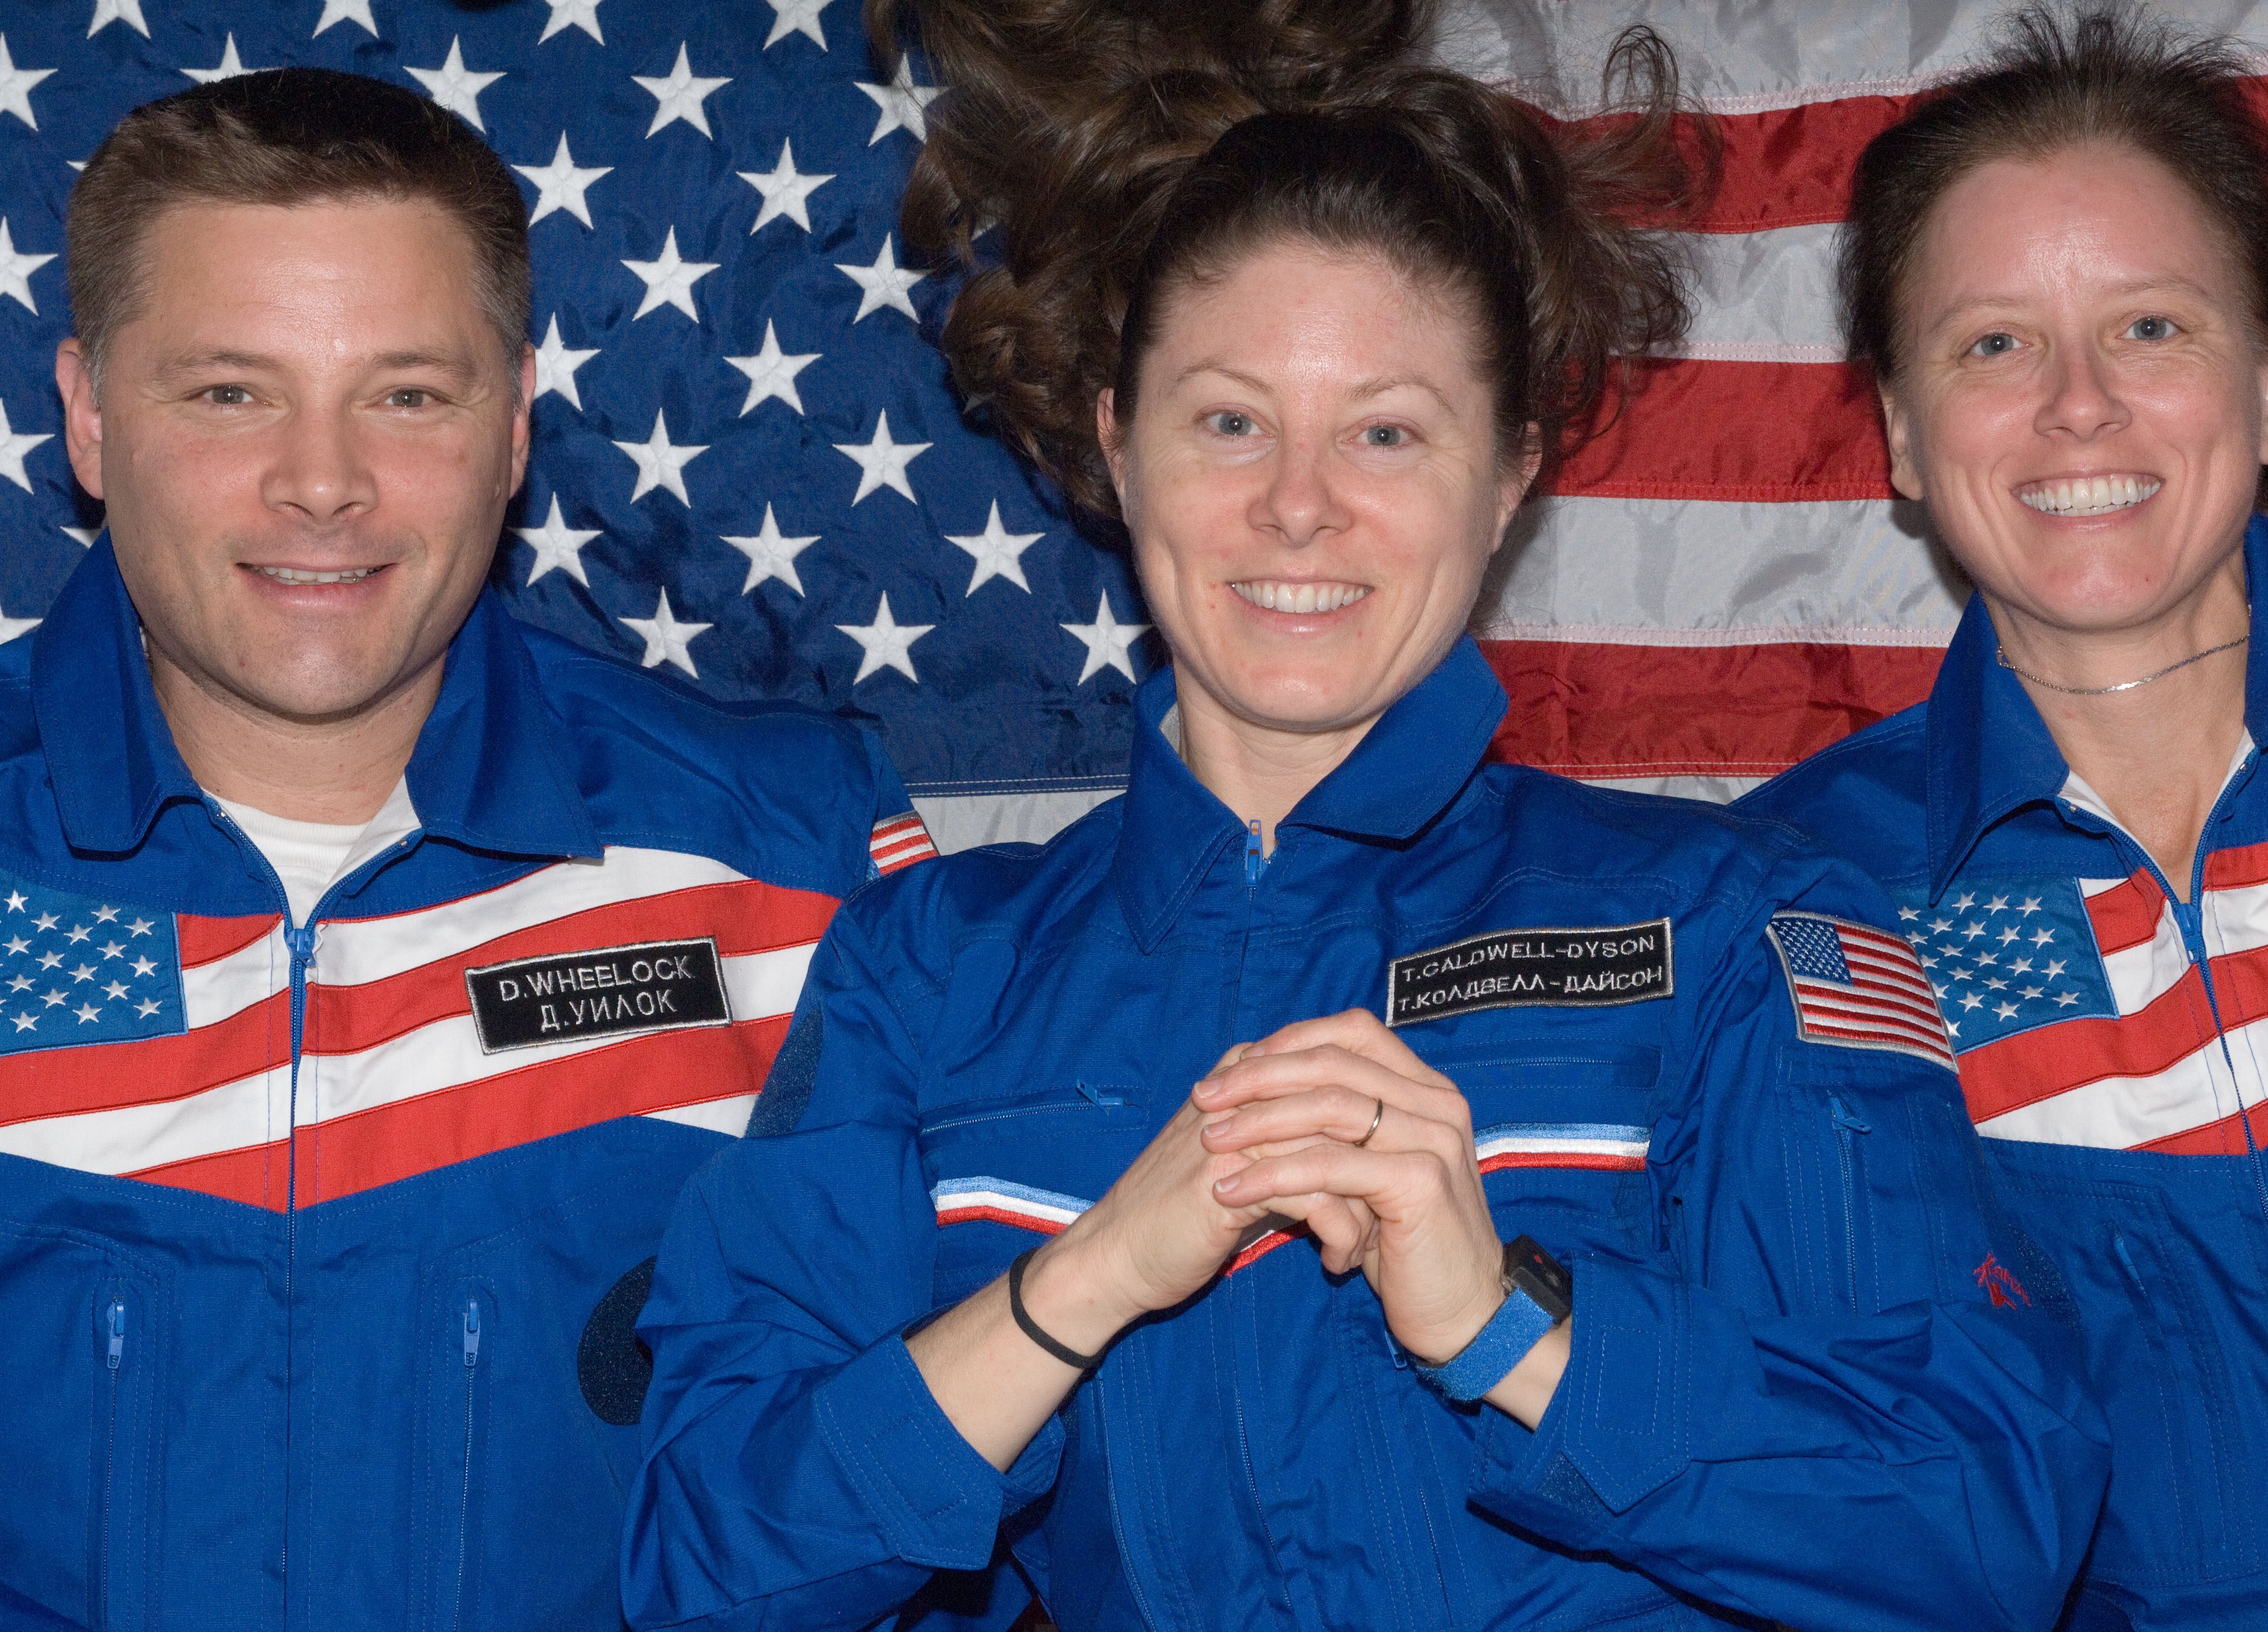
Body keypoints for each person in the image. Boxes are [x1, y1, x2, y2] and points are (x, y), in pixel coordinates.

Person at [621, 7, 2109, 1629]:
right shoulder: (932, 974)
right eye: (1229, 421)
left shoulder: (1739, 927)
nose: (1299, 504)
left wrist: (1513, 1323)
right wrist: (1089, 1276)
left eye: (1388, 431)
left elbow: (1981, 1525)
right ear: (1120, 451)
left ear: (1509, 478)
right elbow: (710, 1569)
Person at [0, 69, 933, 1632]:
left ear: (513, 423)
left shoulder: (793, 873)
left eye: (406, 393)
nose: (321, 482)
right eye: (228, 392)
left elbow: (915, 1496)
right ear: (89, 415)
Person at [1739, 8, 2268, 1627]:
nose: (2080, 406)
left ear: (2266, 386)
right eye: (1993, 344)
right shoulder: (1797, 902)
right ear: (1900, 434)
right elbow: (1829, 1463)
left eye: (2153, 327)